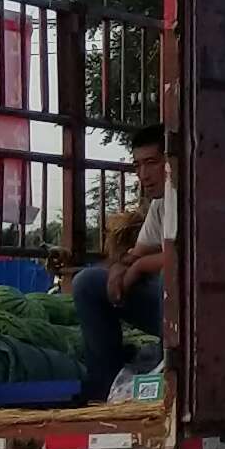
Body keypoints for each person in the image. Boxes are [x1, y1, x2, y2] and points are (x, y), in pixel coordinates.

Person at [75, 121, 175, 401]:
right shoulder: (159, 204)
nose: (143, 175)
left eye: (152, 163)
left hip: (197, 316)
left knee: (172, 279)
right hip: (163, 311)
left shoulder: (195, 196)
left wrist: (140, 268)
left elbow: (190, 258)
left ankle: (172, 369)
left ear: (171, 160)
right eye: (138, 165)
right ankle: (105, 385)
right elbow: (139, 251)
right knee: (88, 282)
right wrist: (121, 266)